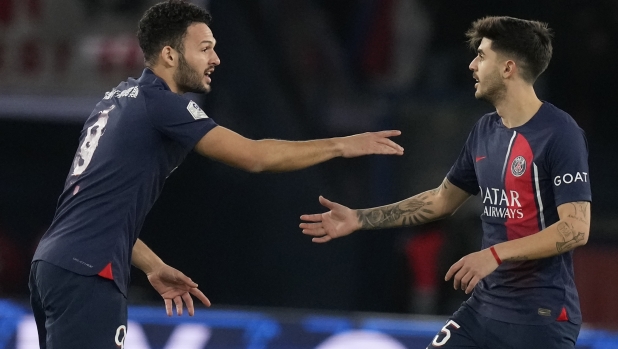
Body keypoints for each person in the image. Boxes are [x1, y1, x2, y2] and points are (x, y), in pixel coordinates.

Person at [28, 1, 404, 348]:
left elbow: (95, 213)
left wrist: (154, 266)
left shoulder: (115, 102)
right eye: (204, 48)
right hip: (87, 273)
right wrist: (340, 145)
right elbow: (253, 156)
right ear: (170, 55)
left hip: (54, 264)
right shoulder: (163, 104)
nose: (216, 59)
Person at [300, 16, 590, 349]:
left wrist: (494, 254)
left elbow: (576, 228)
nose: (472, 65)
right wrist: (359, 218)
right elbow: (440, 200)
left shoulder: (560, 133)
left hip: (540, 317)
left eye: (481, 56)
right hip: (482, 310)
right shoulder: (484, 131)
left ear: (508, 68)